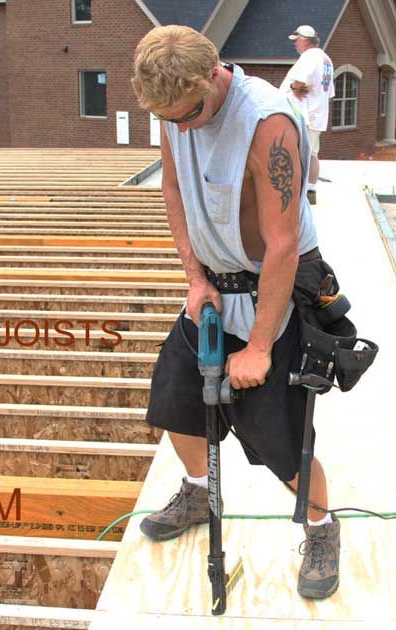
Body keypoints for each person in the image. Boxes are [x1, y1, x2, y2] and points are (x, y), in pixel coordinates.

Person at [131, 25, 341, 600]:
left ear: (213, 74)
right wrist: (194, 278)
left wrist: (260, 346)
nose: (182, 127)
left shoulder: (267, 123)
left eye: (190, 113)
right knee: (174, 399)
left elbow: (282, 243)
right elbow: (173, 192)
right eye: (170, 119)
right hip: (213, 286)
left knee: (277, 436)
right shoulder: (172, 112)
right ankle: (200, 490)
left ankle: (322, 528)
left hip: (272, 287)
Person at [279, 25, 334, 206]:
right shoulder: (325, 59)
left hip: (304, 115)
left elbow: (300, 80)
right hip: (317, 114)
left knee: (296, 152)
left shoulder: (310, 57)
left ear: (304, 40)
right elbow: (329, 93)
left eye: (297, 40)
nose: (295, 44)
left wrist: (295, 88)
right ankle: (310, 190)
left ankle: (296, 192)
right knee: (312, 153)